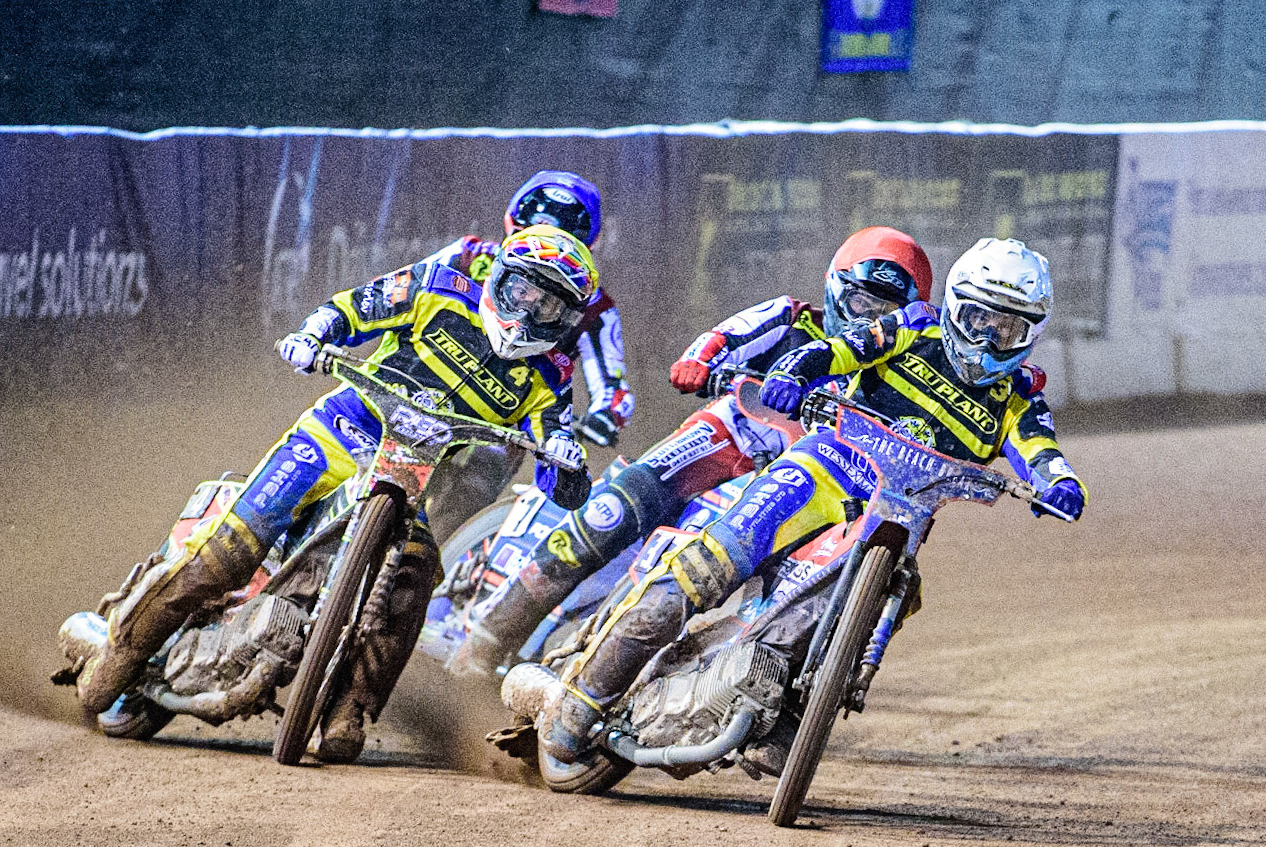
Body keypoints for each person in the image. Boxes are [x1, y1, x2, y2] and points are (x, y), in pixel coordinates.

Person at [535, 237, 1088, 767]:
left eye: (1008, 329)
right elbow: (839, 348)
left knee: (897, 596)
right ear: (953, 306)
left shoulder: (1021, 395)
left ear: (1031, 334)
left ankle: (790, 708)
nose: (988, 340)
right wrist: (794, 372)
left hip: (899, 514)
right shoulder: (912, 326)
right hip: (825, 467)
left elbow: (1041, 450)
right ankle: (582, 700)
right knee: (707, 568)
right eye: (979, 319)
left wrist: (1060, 483)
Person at [66, 224, 599, 764]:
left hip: (412, 474)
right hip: (338, 434)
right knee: (231, 548)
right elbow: (355, 307)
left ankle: (350, 708)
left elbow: (555, 456)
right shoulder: (440, 288)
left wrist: (568, 464)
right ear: (500, 279)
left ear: (566, 318)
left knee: (416, 573)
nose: (529, 311)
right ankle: (120, 656)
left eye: (548, 305)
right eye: (522, 291)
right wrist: (312, 335)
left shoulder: (550, 375)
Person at [448, 226, 933, 675]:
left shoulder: (907, 375)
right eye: (860, 300)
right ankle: (484, 645)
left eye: (883, 311)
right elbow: (725, 337)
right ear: (835, 286)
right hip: (729, 435)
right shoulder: (794, 319)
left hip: (809, 482)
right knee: (608, 512)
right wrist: (699, 362)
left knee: (807, 587)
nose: (867, 318)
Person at [423, 172, 633, 537]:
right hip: (427, 382)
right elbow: (404, 291)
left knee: (461, 503)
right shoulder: (471, 254)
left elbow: (612, 383)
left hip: (503, 420)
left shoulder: (592, 306)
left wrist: (605, 416)